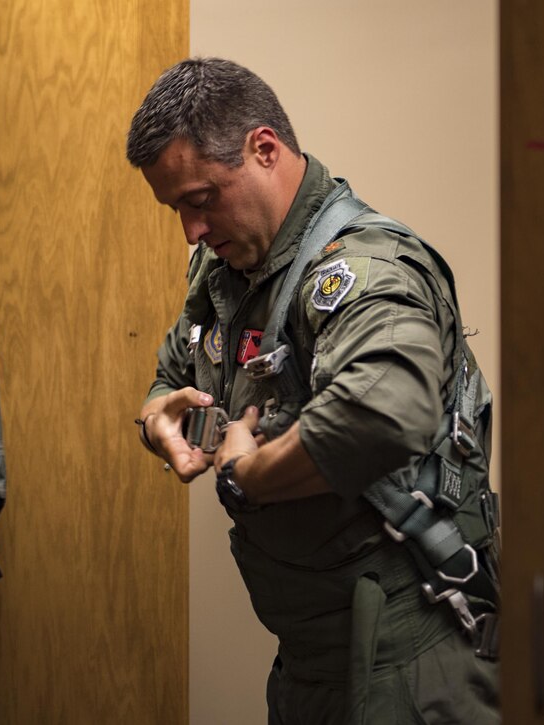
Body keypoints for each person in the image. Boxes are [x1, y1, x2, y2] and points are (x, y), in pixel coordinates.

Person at [127, 57, 500, 724]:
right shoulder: (230, 272)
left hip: (411, 665)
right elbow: (174, 372)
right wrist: (158, 417)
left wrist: (249, 473)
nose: (191, 230)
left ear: (264, 149)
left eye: (200, 200)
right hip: (312, 662)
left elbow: (385, 411)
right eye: (176, 208)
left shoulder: (364, 267)